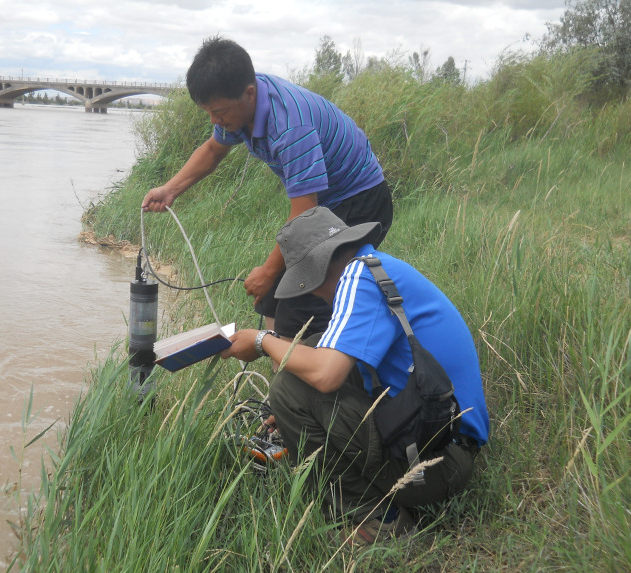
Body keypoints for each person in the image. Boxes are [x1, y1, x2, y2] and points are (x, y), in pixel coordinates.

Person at [220, 207, 490, 545]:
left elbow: (326, 375)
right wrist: (297, 418)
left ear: (317, 269)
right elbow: (341, 365)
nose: (312, 293)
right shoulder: (378, 268)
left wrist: (261, 340)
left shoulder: (358, 278)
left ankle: (376, 520)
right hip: (448, 447)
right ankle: (373, 505)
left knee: (289, 387)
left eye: (308, 283)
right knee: (315, 350)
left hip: (436, 465)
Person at [142, 36, 393, 341]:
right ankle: (280, 376)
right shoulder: (239, 105)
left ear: (249, 94)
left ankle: (323, 376)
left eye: (219, 112)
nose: (214, 120)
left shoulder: (290, 126)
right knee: (272, 298)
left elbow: (305, 215)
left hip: (359, 201)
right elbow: (212, 150)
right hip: (324, 204)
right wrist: (170, 190)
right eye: (208, 111)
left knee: (305, 304)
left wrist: (268, 270)